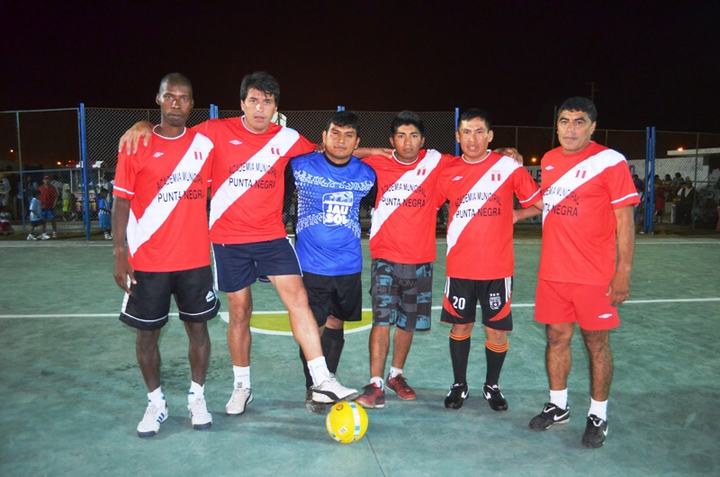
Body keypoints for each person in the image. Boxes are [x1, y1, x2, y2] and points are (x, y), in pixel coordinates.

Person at [120, 71, 357, 414]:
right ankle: (242, 387)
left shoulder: (289, 138)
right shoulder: (214, 132)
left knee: (298, 299)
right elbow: (172, 132)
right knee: (240, 311)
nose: (260, 109)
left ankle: (322, 380)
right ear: (242, 103)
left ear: (276, 108)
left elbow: (332, 150)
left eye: (268, 102)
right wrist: (141, 124)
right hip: (228, 239)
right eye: (254, 101)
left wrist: (378, 152)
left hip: (271, 236)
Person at [112, 73, 220, 437]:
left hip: (194, 260)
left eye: (184, 98)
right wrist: (119, 252)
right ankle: (156, 402)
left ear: (192, 104)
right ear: (158, 99)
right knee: (147, 336)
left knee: (198, 330)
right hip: (148, 261)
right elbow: (121, 202)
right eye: (170, 96)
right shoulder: (136, 144)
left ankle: (197, 398)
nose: (176, 103)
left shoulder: (204, 146)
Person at [528, 97, 639, 448]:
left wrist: (623, 271)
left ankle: (598, 414)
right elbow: (549, 202)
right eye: (564, 121)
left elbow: (625, 221)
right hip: (553, 273)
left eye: (579, 122)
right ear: (556, 125)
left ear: (592, 127)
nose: (571, 129)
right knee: (556, 338)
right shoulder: (549, 160)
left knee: (596, 343)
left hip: (594, 275)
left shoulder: (610, 161)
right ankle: (558, 405)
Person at [436, 109, 542, 411]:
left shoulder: (508, 167)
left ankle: (492, 385)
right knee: (460, 328)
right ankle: (459, 384)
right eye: (467, 132)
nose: (473, 138)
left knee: (496, 330)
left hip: (498, 268)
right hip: (460, 268)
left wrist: (518, 213)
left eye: (479, 131)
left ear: (490, 136)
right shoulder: (447, 170)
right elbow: (428, 202)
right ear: (458, 136)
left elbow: (540, 203)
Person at [355, 111, 454, 408]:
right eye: (400, 136)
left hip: (421, 259)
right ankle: (375, 383)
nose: (407, 142)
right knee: (382, 319)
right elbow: (339, 152)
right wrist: (372, 151)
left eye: (413, 136)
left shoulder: (435, 162)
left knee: (407, 322)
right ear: (391, 140)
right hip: (385, 255)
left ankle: (396, 375)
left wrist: (504, 155)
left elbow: (472, 162)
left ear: (423, 140)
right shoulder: (378, 163)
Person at [286, 111, 376, 412]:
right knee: (313, 326)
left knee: (337, 323)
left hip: (349, 265)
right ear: (323, 137)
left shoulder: (368, 175)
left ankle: (328, 383)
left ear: (357, 142)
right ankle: (312, 386)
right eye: (335, 133)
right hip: (310, 266)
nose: (341, 141)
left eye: (349, 135)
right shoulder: (299, 166)